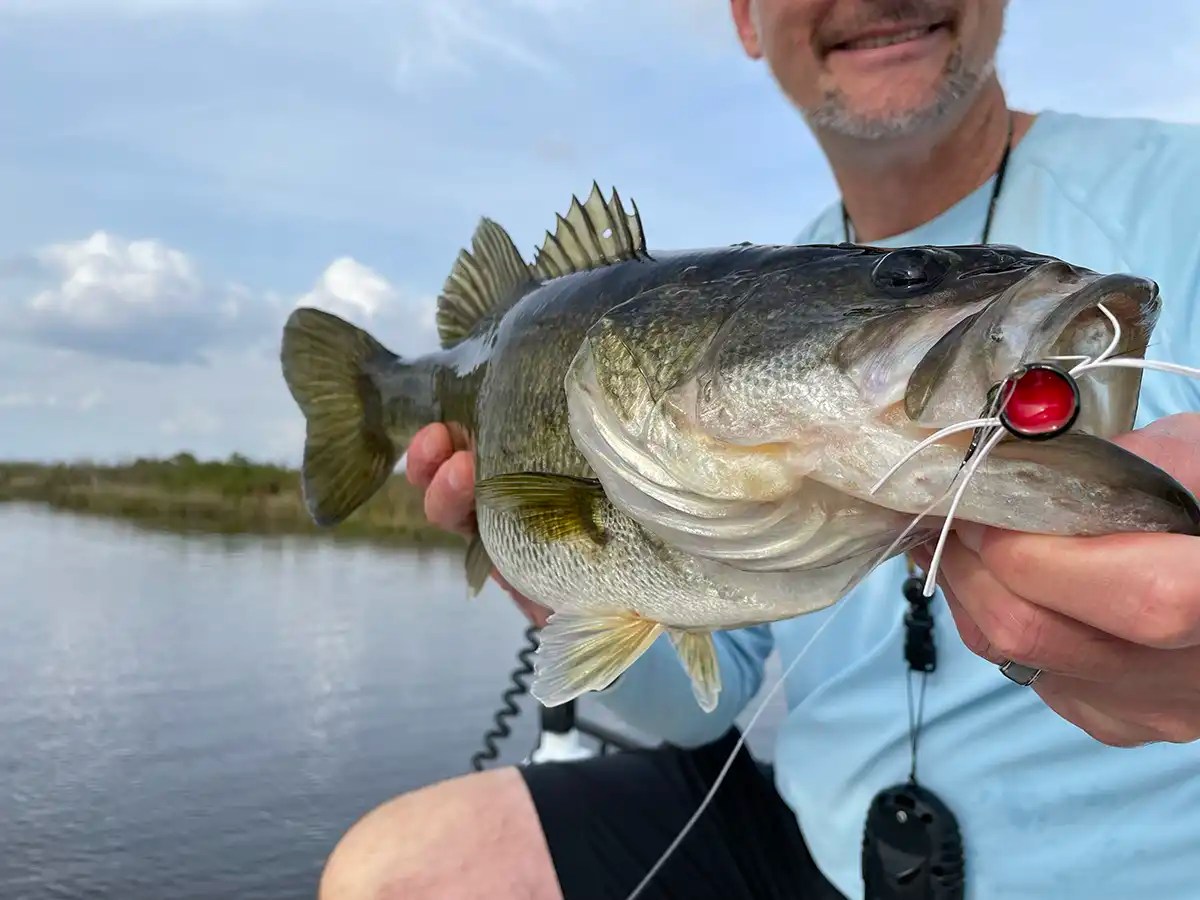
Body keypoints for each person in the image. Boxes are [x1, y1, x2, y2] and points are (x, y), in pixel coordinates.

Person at [318, 2, 1200, 898]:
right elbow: (699, 708)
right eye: (902, 281)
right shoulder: (785, 262)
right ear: (746, 18)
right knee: (397, 872)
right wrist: (556, 580)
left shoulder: (1181, 194)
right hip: (811, 842)